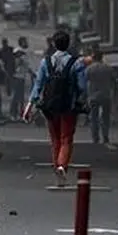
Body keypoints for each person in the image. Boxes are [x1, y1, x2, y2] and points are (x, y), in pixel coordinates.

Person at [25, 29, 88, 186]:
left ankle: (57, 168)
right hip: (68, 106)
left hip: (50, 107)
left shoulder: (46, 62)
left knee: (55, 140)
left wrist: (29, 105)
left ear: (53, 44)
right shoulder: (76, 63)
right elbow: (82, 87)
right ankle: (62, 166)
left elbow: (38, 85)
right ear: (68, 44)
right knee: (66, 138)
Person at [85, 49, 115, 145]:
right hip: (106, 94)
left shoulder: (89, 69)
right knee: (106, 117)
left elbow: (85, 80)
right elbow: (113, 81)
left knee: (94, 117)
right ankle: (105, 136)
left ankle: (95, 137)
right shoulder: (108, 68)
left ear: (94, 58)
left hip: (93, 95)